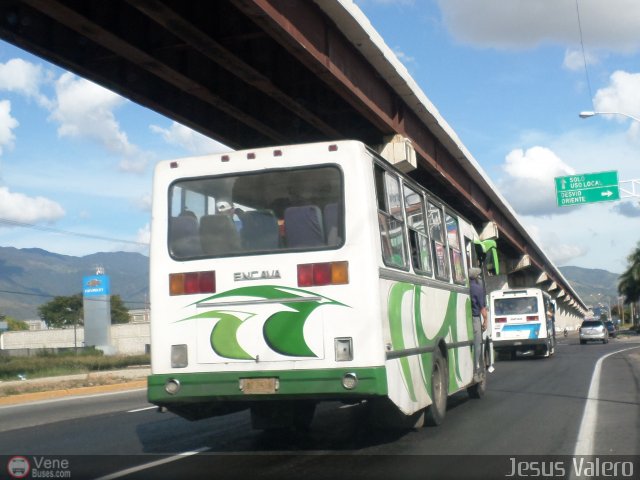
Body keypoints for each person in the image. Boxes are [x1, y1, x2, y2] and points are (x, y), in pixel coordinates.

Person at [469, 267, 488, 380]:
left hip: (465, 317)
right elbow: (482, 308)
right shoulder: (477, 288)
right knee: (477, 344)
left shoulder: (467, 287)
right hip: (475, 318)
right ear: (476, 277)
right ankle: (476, 369)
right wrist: (485, 321)